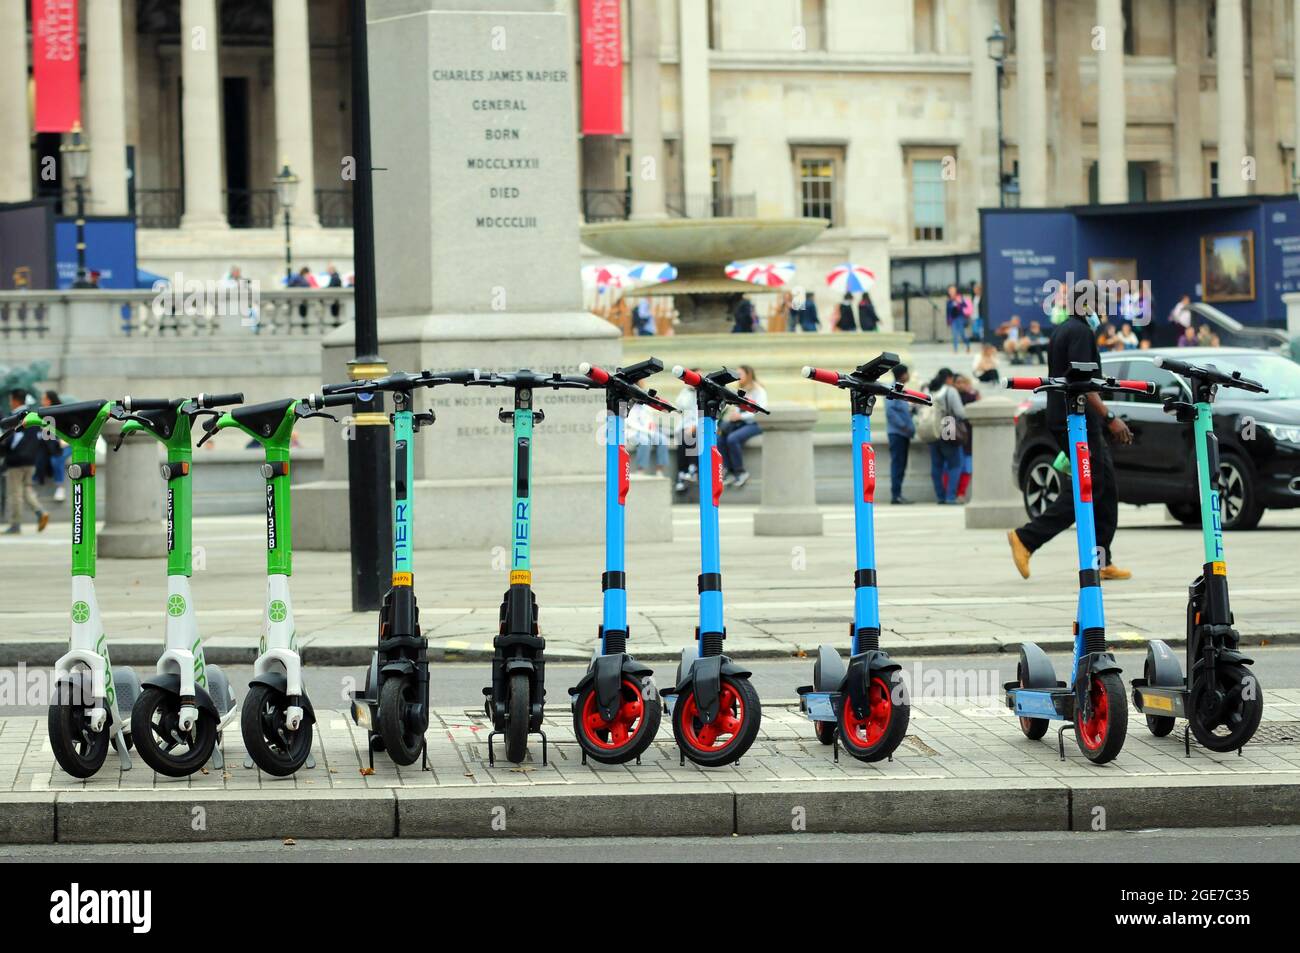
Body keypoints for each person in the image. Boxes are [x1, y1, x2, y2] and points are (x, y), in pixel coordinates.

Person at [1007, 300, 1134, 581]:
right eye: (1099, 306)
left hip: (1073, 417)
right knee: (1091, 484)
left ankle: (1102, 559)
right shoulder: (1080, 332)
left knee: (1105, 485)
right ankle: (1026, 539)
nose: (1102, 314)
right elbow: (1082, 382)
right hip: (1075, 419)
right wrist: (1110, 417)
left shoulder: (1064, 330)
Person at [2, 390, 50, 534]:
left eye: (11, 399)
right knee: (26, 489)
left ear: (16, 400)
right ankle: (41, 512)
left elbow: (13, 439)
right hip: (31, 460)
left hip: (16, 460)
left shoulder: (16, 417)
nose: (10, 402)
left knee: (14, 493)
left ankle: (15, 524)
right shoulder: (33, 415)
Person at [718, 365, 766, 488]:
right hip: (740, 423)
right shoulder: (741, 390)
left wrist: (741, 417)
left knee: (733, 439)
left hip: (755, 424)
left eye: (740, 374)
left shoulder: (759, 390)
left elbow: (760, 411)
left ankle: (740, 472)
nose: (738, 377)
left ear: (748, 375)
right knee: (720, 438)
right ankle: (728, 470)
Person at [927, 368, 965, 504]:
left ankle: (940, 496)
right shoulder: (950, 391)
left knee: (936, 466)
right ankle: (950, 496)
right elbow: (960, 412)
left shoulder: (929, 390)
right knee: (955, 464)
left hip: (931, 430)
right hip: (947, 429)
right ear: (949, 378)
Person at [885, 364, 916, 504]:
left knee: (901, 465)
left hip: (903, 434)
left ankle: (898, 494)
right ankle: (895, 495)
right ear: (902, 375)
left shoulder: (901, 390)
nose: (908, 375)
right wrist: (904, 427)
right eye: (907, 373)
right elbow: (890, 412)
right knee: (898, 465)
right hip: (897, 433)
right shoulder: (893, 389)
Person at [39, 390, 70, 503]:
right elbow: (46, 435)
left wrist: (62, 442)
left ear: (49, 400)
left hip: (68, 443)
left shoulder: (60, 412)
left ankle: (60, 487)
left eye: (44, 399)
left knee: (57, 459)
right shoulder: (44, 413)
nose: (42, 401)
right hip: (52, 445)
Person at [673, 370, 700, 493]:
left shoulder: (704, 391)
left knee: (691, 435)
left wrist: (696, 426)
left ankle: (692, 469)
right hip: (686, 426)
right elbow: (681, 405)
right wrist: (690, 390)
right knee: (682, 439)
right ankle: (682, 473)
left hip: (702, 426)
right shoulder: (686, 392)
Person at [627, 401, 669, 474]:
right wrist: (646, 431)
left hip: (648, 431)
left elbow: (649, 420)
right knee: (645, 442)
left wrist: (651, 429)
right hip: (633, 431)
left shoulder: (646, 406)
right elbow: (629, 422)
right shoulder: (627, 404)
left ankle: (660, 469)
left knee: (663, 440)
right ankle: (641, 469)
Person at [946, 285, 970, 352]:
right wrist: (948, 320)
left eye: (953, 290)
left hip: (960, 318)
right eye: (950, 290)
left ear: (955, 291)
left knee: (962, 334)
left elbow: (965, 305)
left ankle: (967, 344)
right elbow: (948, 312)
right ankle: (955, 349)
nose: (951, 292)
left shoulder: (959, 298)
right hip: (953, 319)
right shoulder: (949, 301)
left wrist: (960, 302)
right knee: (954, 334)